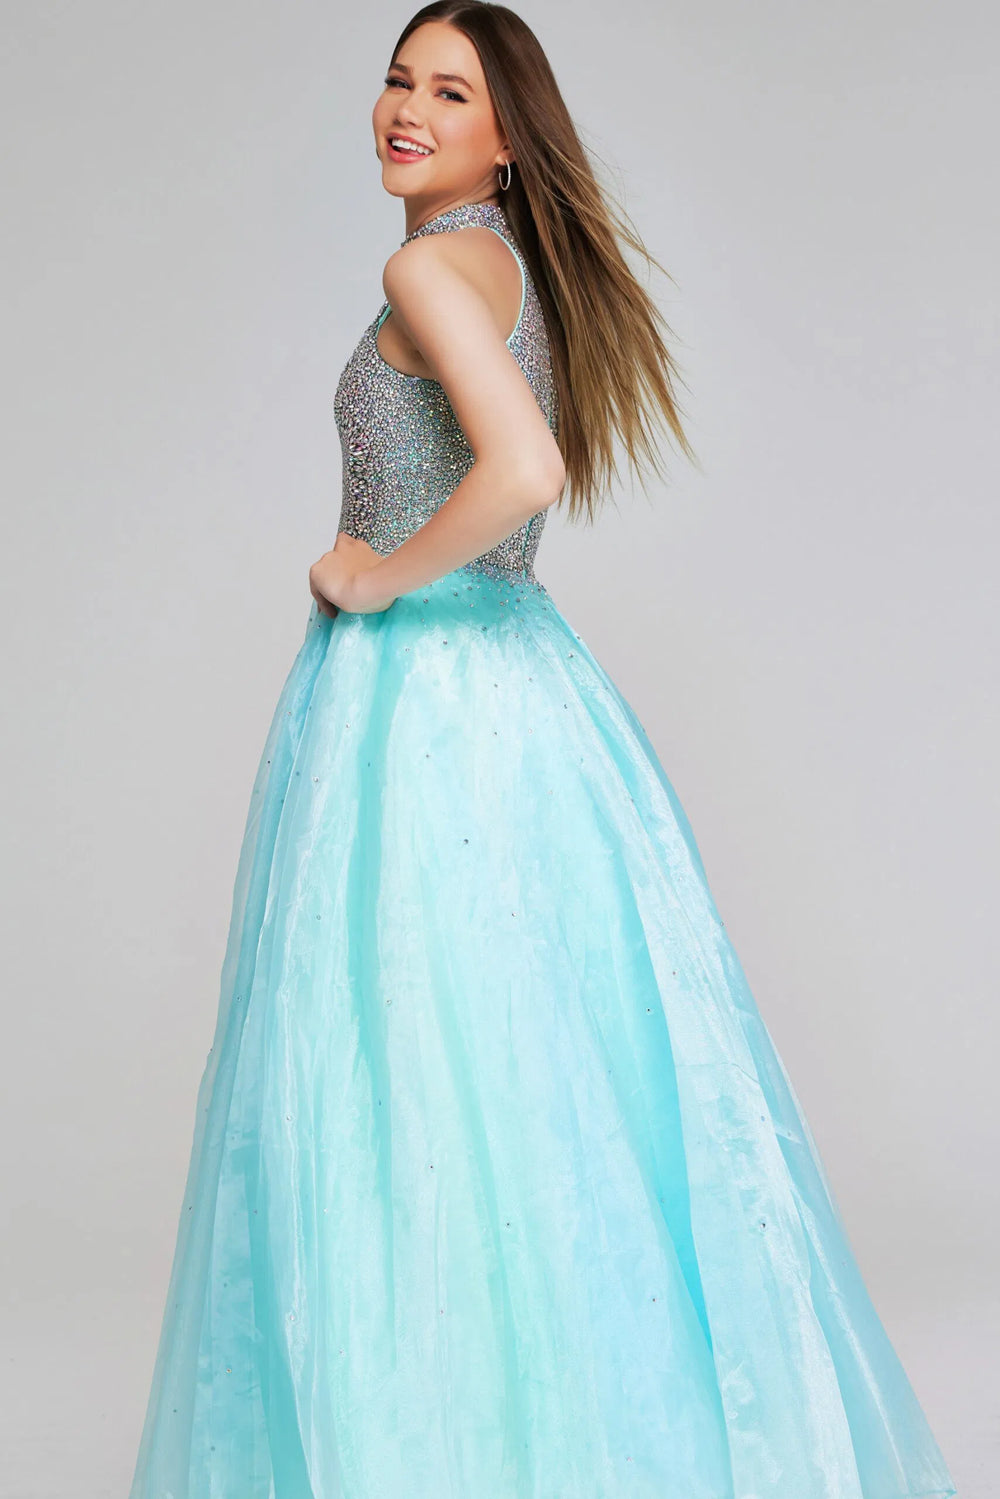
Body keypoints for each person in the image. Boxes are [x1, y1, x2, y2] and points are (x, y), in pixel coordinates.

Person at [127, 5, 957, 1497]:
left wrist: (373, 579)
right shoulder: (507, 264)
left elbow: (524, 470)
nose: (407, 108)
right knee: (526, 1092)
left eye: (452, 92)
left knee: (401, 1097)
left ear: (507, 135)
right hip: (528, 698)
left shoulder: (426, 269)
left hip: (420, 714)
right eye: (399, 79)